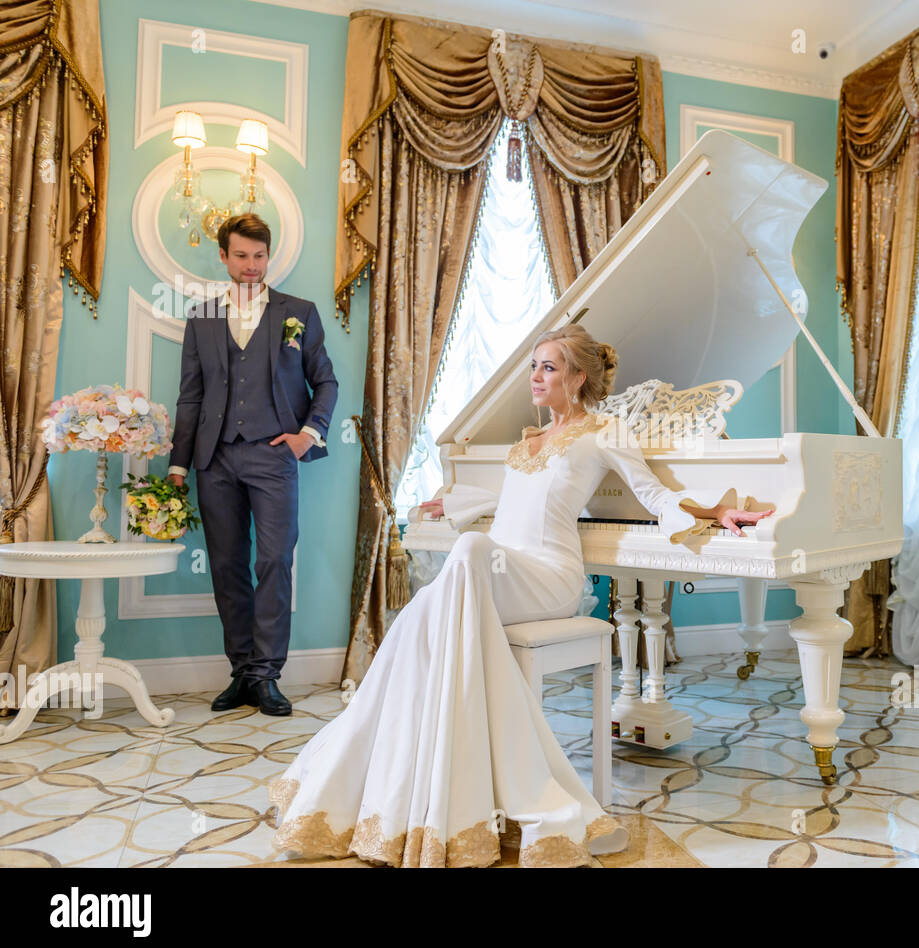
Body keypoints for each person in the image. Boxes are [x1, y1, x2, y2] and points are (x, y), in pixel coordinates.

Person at [266, 324, 771, 867]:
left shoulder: (604, 432)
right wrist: (451, 501)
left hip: (549, 577)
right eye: (534, 366)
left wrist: (711, 512)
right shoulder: (526, 443)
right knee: (424, 615)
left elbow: (652, 494)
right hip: (500, 569)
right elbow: (510, 504)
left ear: (577, 378)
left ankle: (441, 797)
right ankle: (406, 796)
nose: (535, 376)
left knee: (462, 566)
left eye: (549, 367)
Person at [167, 213, 339, 717]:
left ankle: (267, 675)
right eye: (241, 256)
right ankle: (241, 670)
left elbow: (325, 381)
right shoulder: (201, 318)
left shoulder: (298, 312)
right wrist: (178, 466)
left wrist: (309, 435)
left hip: (274, 455)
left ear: (269, 256)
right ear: (224, 256)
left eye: (259, 256)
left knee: (273, 560)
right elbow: (189, 398)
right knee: (225, 564)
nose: (251, 266)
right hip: (214, 458)